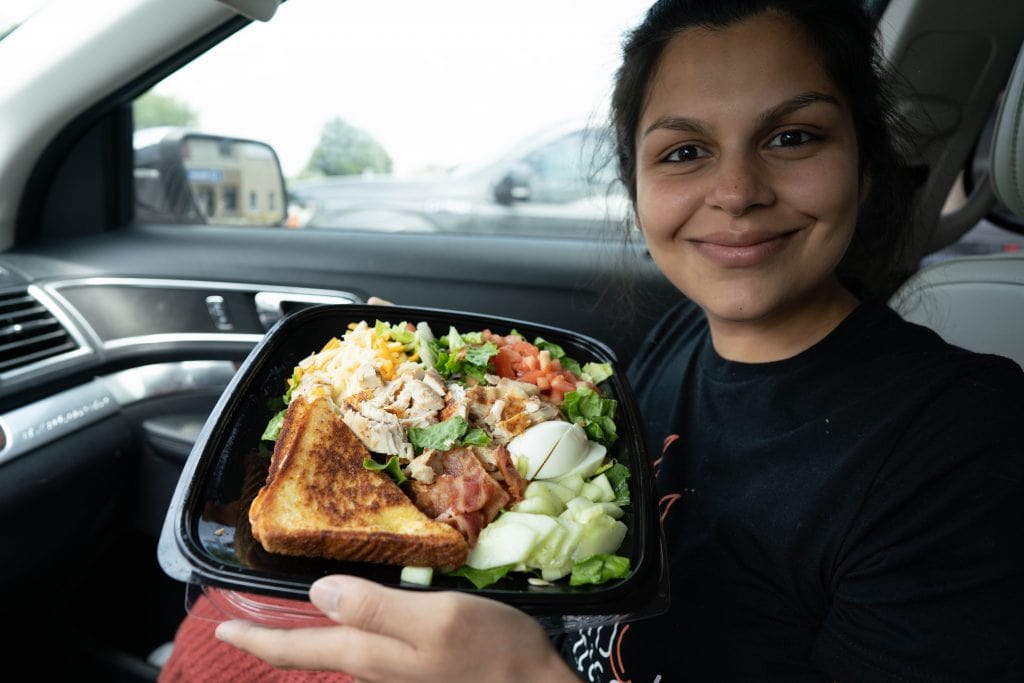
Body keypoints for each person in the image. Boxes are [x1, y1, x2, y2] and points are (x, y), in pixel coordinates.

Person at [173, 0, 1024, 680]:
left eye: (792, 136)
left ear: (866, 162)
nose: (734, 190)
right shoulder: (673, 345)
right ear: (638, 185)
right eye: (684, 151)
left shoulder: (967, 441)